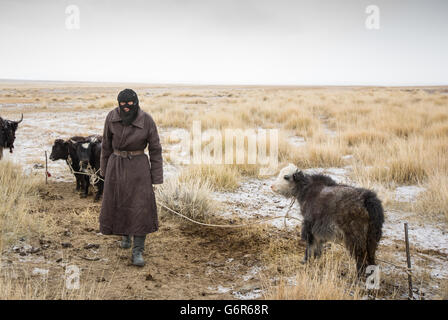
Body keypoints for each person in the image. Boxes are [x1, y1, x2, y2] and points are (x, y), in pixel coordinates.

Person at [99, 89, 163, 267]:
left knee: (140, 208)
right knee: (118, 203)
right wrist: (104, 170)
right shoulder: (111, 117)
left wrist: (156, 177)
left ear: (136, 103)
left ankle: (138, 251)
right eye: (122, 104)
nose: (126, 108)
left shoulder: (147, 120)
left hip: (139, 169)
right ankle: (124, 236)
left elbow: (155, 149)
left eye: (129, 104)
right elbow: (105, 145)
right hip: (116, 166)